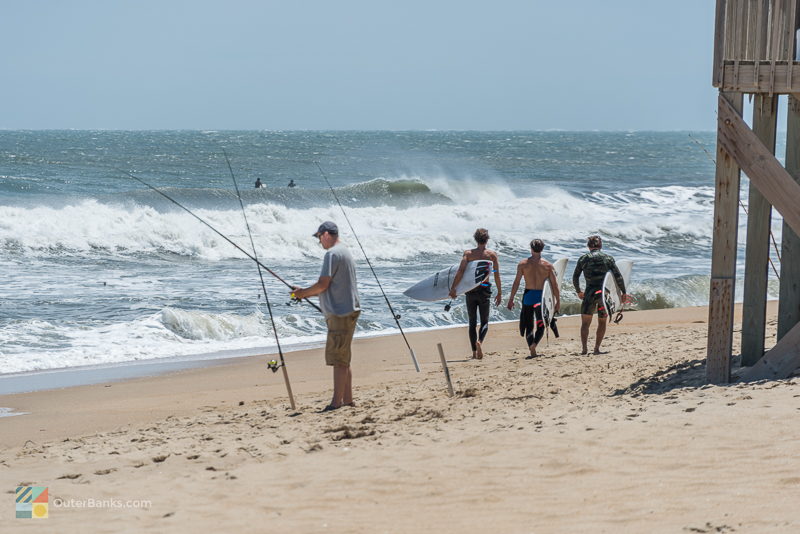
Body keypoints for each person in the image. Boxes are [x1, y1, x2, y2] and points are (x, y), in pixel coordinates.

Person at [291, 221, 360, 411]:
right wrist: (304, 292)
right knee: (343, 358)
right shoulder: (345, 251)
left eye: (319, 237)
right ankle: (347, 400)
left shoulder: (331, 255)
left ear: (327, 234)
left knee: (338, 360)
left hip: (340, 312)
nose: (319, 241)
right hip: (349, 309)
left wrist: (302, 293)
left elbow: (323, 284)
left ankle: (336, 403)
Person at [449, 228, 501, 359]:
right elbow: (496, 276)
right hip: (484, 289)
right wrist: (499, 292)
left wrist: (453, 288)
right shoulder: (492, 255)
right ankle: (480, 341)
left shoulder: (468, 254)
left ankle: (473, 353)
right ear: (487, 239)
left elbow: (460, 272)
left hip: (471, 290)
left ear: (475, 239)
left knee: (472, 323)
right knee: (484, 322)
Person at [572, 235, 626, 355]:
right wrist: (623, 292)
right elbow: (618, 276)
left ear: (588, 246)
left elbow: (575, 276)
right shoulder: (608, 258)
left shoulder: (583, 259)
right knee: (602, 322)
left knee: (585, 323)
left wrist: (578, 291)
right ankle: (596, 349)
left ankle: (584, 349)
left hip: (589, 293)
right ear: (600, 245)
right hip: (603, 295)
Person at [506, 239, 560, 358]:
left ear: (531, 248)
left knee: (528, 325)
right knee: (541, 323)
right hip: (541, 298)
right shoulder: (548, 266)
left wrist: (511, 299)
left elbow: (516, 283)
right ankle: (534, 344)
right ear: (542, 249)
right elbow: (555, 286)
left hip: (528, 296)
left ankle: (531, 346)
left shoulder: (523, 264)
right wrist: (557, 301)